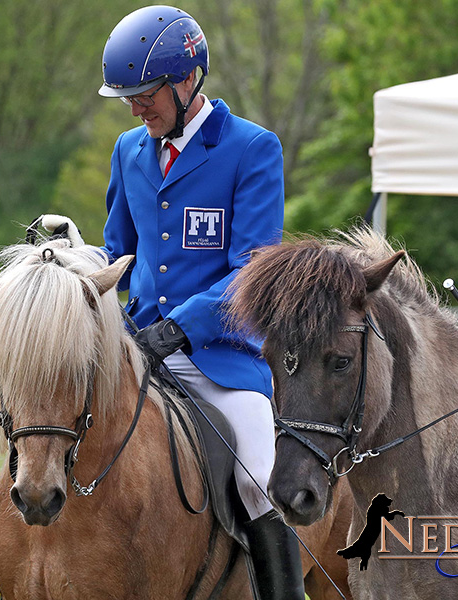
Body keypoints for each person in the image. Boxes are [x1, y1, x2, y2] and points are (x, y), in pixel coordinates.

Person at [96, 6, 301, 598]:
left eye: (145, 94)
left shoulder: (252, 149)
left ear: (187, 80)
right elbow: (119, 254)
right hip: (137, 351)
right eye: (128, 97)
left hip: (221, 359)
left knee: (260, 481)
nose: (136, 108)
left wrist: (181, 329)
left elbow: (252, 272)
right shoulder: (128, 150)